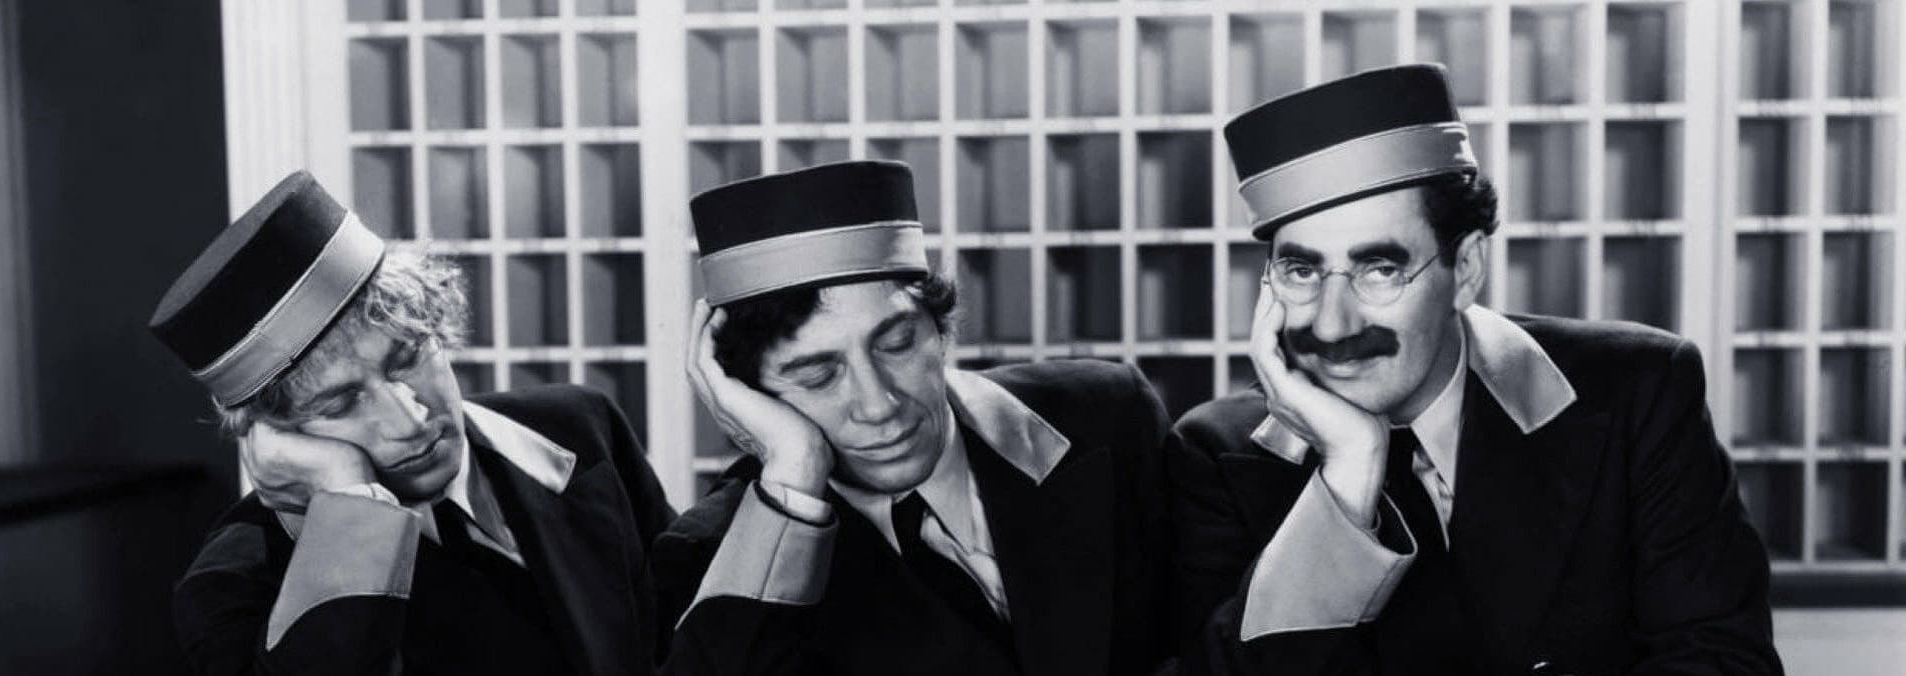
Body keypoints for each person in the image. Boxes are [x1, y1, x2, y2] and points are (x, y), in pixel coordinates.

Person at [1169, 64, 1782, 675]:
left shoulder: (1637, 393)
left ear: (1465, 269)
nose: (1333, 326)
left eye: (1380, 269)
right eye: (1302, 271)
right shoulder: (1216, 456)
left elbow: (1725, 661)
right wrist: (1347, 481)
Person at [154, 172, 732, 675]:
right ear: (276, 435)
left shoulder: (579, 427)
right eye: (340, 404)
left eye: (407, 357)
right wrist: (347, 497)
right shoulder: (234, 581)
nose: (409, 419)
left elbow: (697, 637)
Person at [654, 160, 1179, 675]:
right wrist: (796, 469)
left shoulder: (1109, 416)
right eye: (818, 376)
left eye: (898, 343)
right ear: (751, 397)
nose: (879, 405)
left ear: (939, 327)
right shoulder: (717, 553)